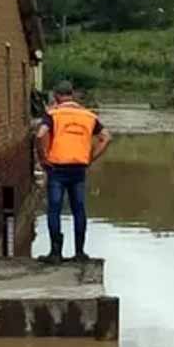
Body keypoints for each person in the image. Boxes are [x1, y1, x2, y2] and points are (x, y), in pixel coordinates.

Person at [36, 81, 111, 263]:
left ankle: (55, 253)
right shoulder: (88, 116)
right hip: (79, 168)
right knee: (79, 209)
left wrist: (43, 157)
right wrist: (91, 157)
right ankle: (79, 252)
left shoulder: (53, 114)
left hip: (57, 167)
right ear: (73, 95)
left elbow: (40, 134)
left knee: (54, 208)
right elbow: (106, 137)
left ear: (56, 96)